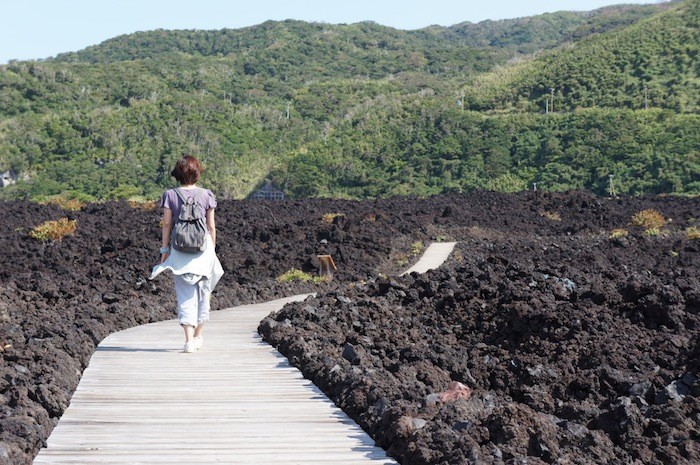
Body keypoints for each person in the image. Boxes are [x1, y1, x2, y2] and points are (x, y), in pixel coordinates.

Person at [149, 155, 224, 353]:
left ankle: (189, 340)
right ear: (197, 173)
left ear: (177, 174)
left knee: (185, 293)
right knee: (204, 291)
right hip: (203, 248)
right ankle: (199, 334)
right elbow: (211, 226)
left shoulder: (170, 195)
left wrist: (165, 250)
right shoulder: (207, 194)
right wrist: (212, 250)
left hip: (180, 248)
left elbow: (166, 223)